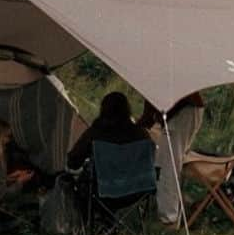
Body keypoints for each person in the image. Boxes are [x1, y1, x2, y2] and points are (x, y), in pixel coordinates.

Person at [138, 92, 205, 227]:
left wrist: (134, 128)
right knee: (167, 163)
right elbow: (149, 112)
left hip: (183, 111)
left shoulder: (151, 76)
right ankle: (176, 211)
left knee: (168, 167)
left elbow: (149, 114)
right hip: (187, 109)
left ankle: (169, 220)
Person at [67, 91, 151, 170]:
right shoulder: (141, 134)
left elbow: (73, 162)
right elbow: (149, 162)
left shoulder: (95, 133)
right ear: (127, 110)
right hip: (135, 184)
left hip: (101, 185)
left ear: (103, 110)